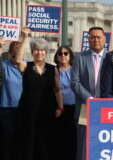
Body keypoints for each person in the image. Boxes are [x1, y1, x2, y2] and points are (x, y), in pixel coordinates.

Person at [15, 28, 63, 160]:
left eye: (42, 50)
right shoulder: (27, 66)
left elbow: (57, 89)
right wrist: (24, 38)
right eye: (36, 49)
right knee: (28, 141)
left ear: (46, 52)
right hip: (28, 110)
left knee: (44, 141)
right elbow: (18, 58)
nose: (39, 52)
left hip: (47, 109)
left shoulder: (53, 69)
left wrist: (60, 106)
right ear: (32, 52)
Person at [71, 26, 107, 160]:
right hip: (85, 107)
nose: (95, 40)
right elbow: (74, 82)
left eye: (98, 37)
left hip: (105, 107)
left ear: (104, 39)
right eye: (92, 37)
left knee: (103, 143)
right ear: (88, 40)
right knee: (84, 146)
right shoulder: (80, 57)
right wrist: (90, 99)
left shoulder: (111, 58)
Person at [0, 38, 25, 160]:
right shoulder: (4, 66)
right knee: (7, 141)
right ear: (10, 53)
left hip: (23, 110)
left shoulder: (27, 66)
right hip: (7, 109)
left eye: (19, 51)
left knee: (21, 140)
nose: (17, 54)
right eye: (14, 52)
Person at [54, 46, 76, 160]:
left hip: (75, 107)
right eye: (60, 53)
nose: (63, 55)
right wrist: (59, 107)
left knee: (73, 137)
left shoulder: (76, 69)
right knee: (60, 137)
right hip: (60, 108)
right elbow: (55, 90)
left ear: (70, 56)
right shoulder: (54, 70)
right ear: (57, 56)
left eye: (66, 53)